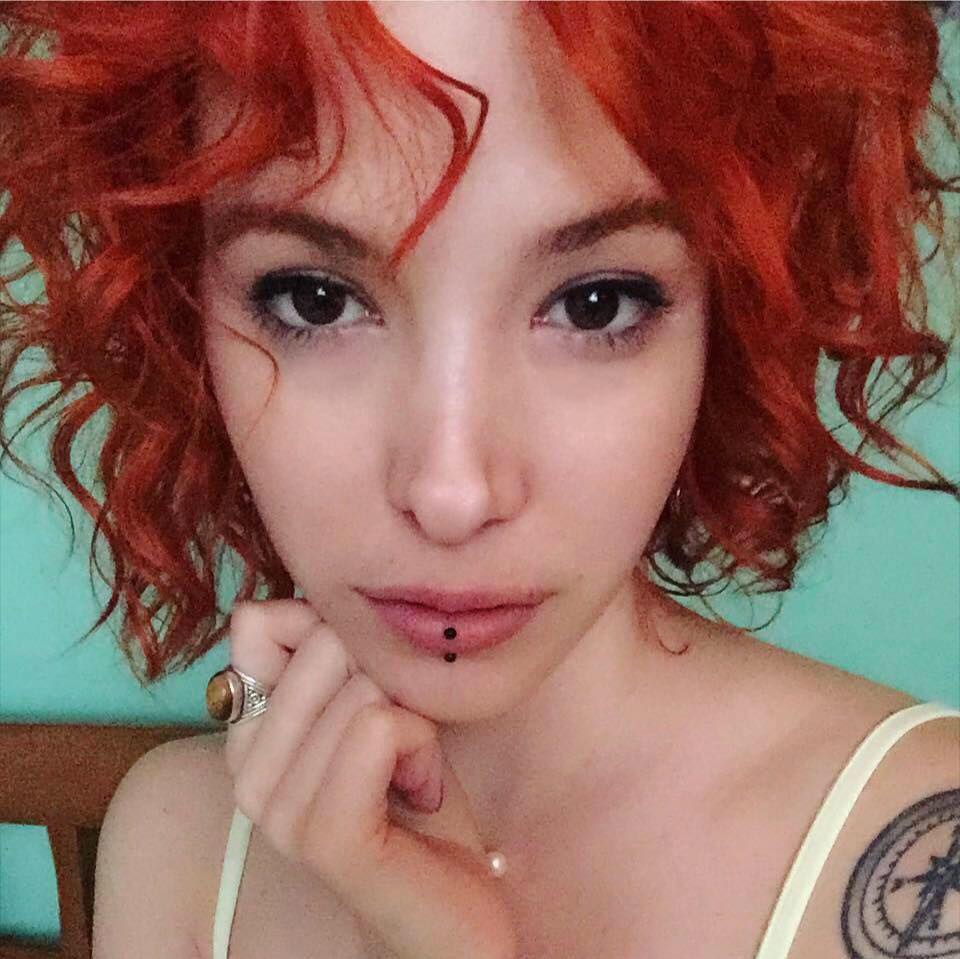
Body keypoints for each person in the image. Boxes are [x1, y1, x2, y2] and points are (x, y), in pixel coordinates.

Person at [2, 2, 958, 957]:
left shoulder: (922, 853)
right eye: (316, 299)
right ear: (183, 315)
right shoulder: (178, 840)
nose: (451, 494)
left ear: (728, 312)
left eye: (595, 304)